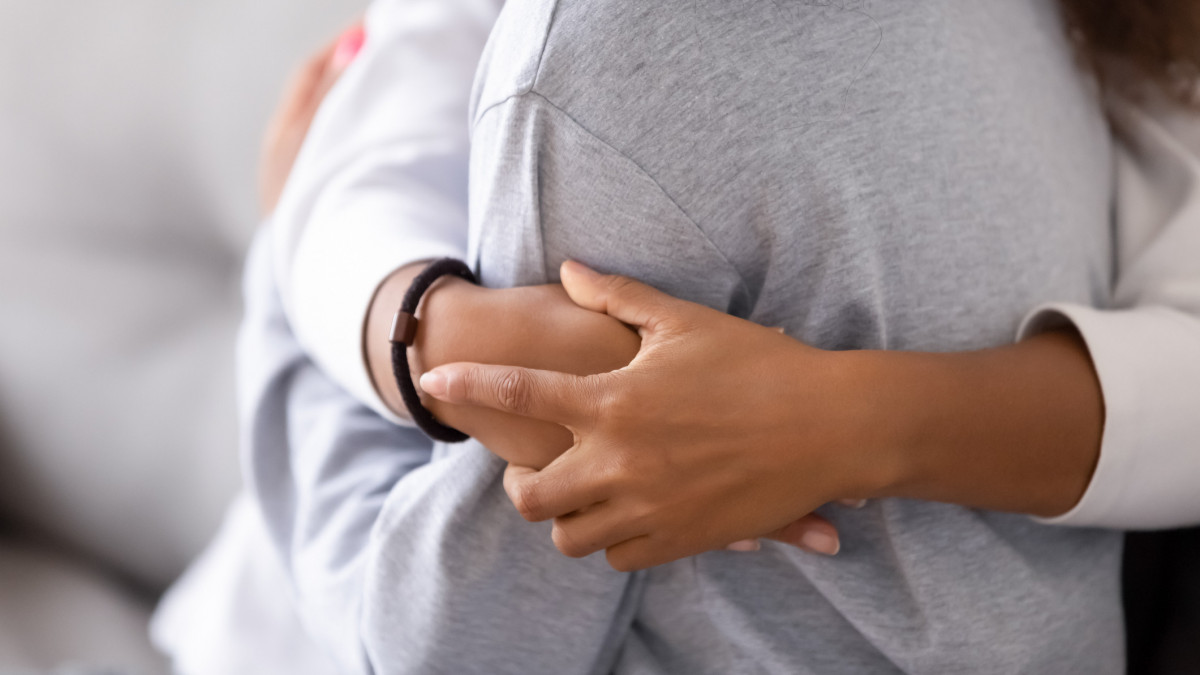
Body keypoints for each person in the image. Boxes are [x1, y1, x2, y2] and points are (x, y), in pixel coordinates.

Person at [165, 0, 1200, 672]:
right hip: (246, 619)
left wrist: (845, 420)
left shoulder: (633, 69)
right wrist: (423, 332)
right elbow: (387, 99)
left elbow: (442, 641)